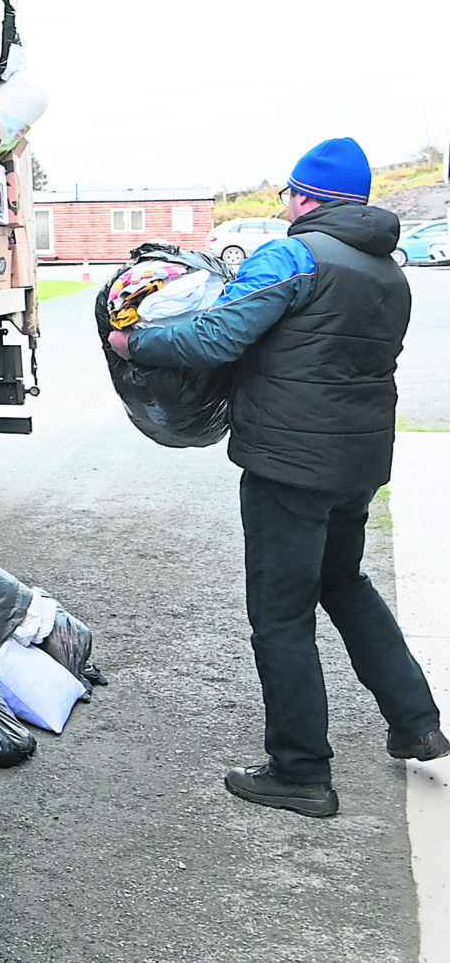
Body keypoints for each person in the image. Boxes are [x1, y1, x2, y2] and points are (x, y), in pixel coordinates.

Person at [111, 136, 445, 817]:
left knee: (281, 614)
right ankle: (416, 721)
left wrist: (134, 341)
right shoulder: (390, 270)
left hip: (289, 463)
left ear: (306, 198)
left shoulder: (294, 254)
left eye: (289, 193)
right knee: (343, 582)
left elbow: (215, 337)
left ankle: (300, 770)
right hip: (356, 462)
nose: (286, 204)